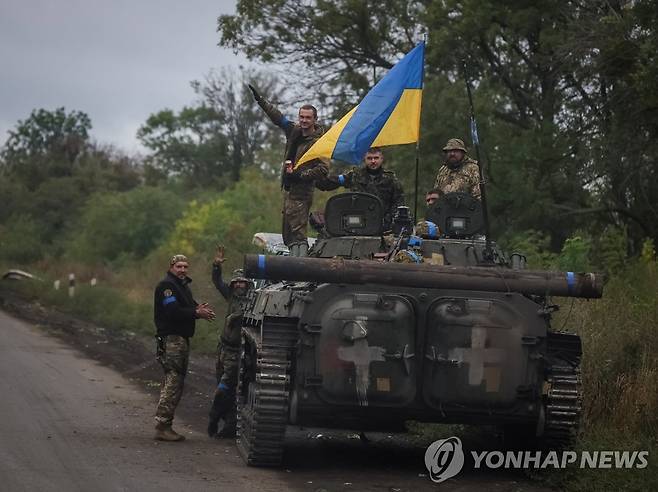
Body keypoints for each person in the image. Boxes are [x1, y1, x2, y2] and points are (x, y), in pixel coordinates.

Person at [249, 84, 328, 256]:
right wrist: (261, 101)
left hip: (303, 191)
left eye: (308, 118)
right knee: (288, 233)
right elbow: (278, 118)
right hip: (289, 190)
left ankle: (300, 267)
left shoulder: (319, 142)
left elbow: (323, 169)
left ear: (314, 119)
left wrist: (300, 174)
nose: (304, 120)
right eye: (302, 117)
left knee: (298, 233)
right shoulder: (294, 131)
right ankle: (294, 265)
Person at [154, 254, 215, 441]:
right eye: (179, 266)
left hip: (180, 339)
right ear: (171, 267)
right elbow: (172, 311)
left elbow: (187, 306)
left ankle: (164, 425)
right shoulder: (167, 286)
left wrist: (198, 308)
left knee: (175, 381)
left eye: (185, 267)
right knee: (173, 380)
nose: (182, 270)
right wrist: (196, 312)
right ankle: (163, 425)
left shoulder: (181, 286)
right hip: (172, 338)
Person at [207, 246, 252, 439]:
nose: (240, 286)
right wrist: (216, 265)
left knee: (223, 390)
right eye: (237, 282)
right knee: (223, 387)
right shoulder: (231, 295)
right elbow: (217, 282)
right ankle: (230, 425)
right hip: (223, 348)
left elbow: (248, 315)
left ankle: (214, 418)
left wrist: (236, 316)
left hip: (236, 351)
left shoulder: (252, 300)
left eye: (243, 282)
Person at [318, 147, 405, 231]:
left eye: (376, 158)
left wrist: (390, 220)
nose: (373, 161)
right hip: (357, 223)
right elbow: (331, 183)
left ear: (382, 159)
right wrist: (318, 176)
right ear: (365, 159)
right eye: (369, 158)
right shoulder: (355, 176)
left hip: (382, 224)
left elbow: (398, 202)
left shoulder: (391, 179)